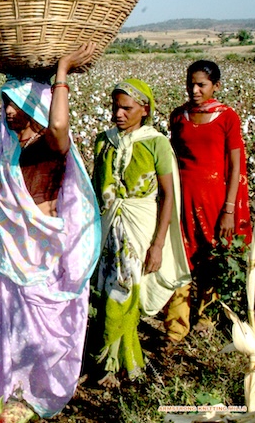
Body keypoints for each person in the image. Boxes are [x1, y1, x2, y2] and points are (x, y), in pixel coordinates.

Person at [0, 43, 101, 422]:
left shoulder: (51, 144)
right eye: (6, 102)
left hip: (39, 255)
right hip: (2, 253)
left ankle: (25, 391)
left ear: (38, 107)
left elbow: (59, 123)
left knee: (36, 332)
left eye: (17, 104)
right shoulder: (1, 136)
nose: (9, 111)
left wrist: (62, 70)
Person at [91, 79, 190, 388]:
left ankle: (112, 362)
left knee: (124, 290)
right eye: (115, 107)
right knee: (112, 290)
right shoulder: (103, 141)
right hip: (109, 225)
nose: (118, 114)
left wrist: (158, 243)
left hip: (141, 225)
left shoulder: (156, 142)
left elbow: (168, 195)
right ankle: (122, 360)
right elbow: (96, 189)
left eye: (126, 108)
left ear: (144, 110)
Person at [164, 60, 253, 343]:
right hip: (183, 196)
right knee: (181, 257)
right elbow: (171, 158)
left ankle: (205, 317)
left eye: (201, 84)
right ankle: (176, 327)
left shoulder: (228, 117)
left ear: (216, 86)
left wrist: (229, 209)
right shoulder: (179, 117)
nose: (195, 89)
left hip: (215, 200)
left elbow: (235, 166)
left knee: (211, 256)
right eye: (191, 83)